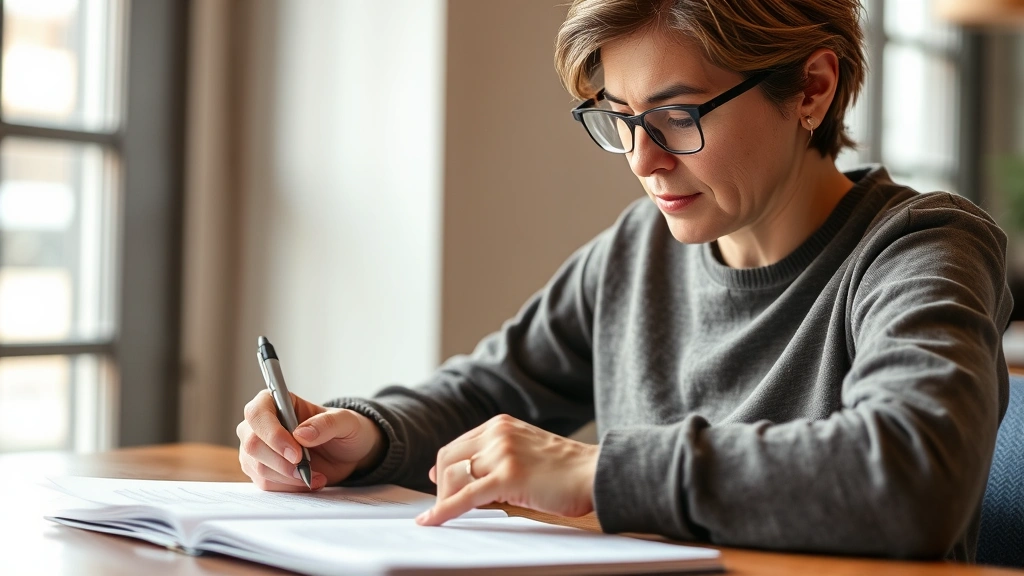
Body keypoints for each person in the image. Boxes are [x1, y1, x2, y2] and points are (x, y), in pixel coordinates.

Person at [236, 0, 1013, 562]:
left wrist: (598, 471)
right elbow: (487, 391)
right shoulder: (638, 251)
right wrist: (364, 437)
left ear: (811, 88)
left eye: (679, 116)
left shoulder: (920, 248)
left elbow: (914, 476)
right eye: (620, 118)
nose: (644, 160)